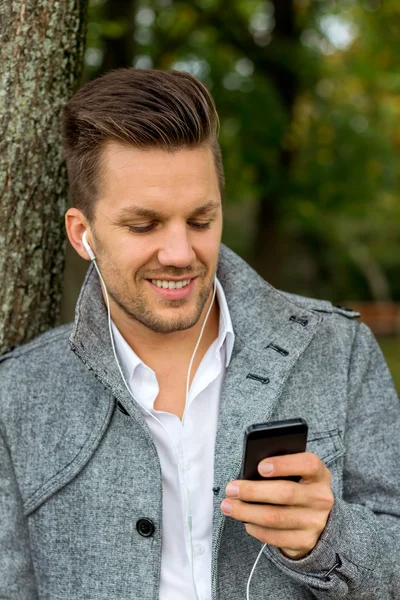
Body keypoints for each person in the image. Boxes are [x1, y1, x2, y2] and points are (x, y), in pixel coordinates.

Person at [1, 68, 399, 600]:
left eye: (201, 220)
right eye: (144, 225)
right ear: (83, 234)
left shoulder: (339, 351)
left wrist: (328, 538)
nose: (180, 254)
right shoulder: (16, 398)